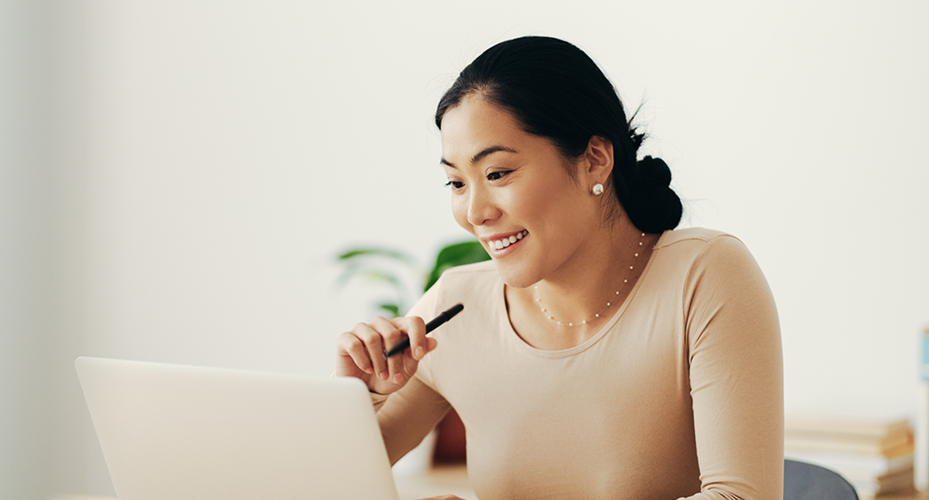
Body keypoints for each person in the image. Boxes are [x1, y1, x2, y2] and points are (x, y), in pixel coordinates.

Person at [335, 36, 783, 500]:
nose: (475, 213)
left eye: (497, 174)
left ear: (595, 160)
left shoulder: (704, 277)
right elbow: (322, 482)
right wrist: (356, 401)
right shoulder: (457, 307)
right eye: (456, 183)